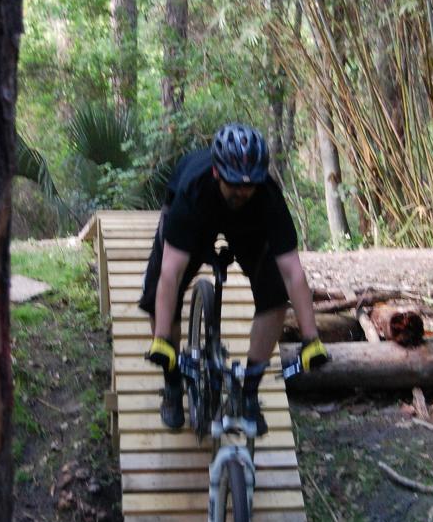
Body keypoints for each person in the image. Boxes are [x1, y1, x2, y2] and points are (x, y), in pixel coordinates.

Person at [139, 123, 329, 434]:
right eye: (234, 184)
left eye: (250, 185)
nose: (242, 191)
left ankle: (249, 393)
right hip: (195, 219)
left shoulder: (267, 197)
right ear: (217, 174)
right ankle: (172, 387)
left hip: (248, 228)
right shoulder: (194, 190)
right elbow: (170, 275)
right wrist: (161, 339)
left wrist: (311, 339)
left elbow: (294, 273)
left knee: (275, 296)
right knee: (158, 293)